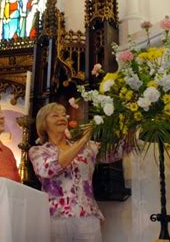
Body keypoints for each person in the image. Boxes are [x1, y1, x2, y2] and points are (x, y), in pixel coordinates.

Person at [29, 103, 123, 242]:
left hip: (87, 217)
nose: (61, 118)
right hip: (55, 219)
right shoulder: (38, 151)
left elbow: (117, 152)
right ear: (44, 123)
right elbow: (49, 169)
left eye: (63, 115)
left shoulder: (88, 147)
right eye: (55, 115)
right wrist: (83, 141)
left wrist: (128, 125)